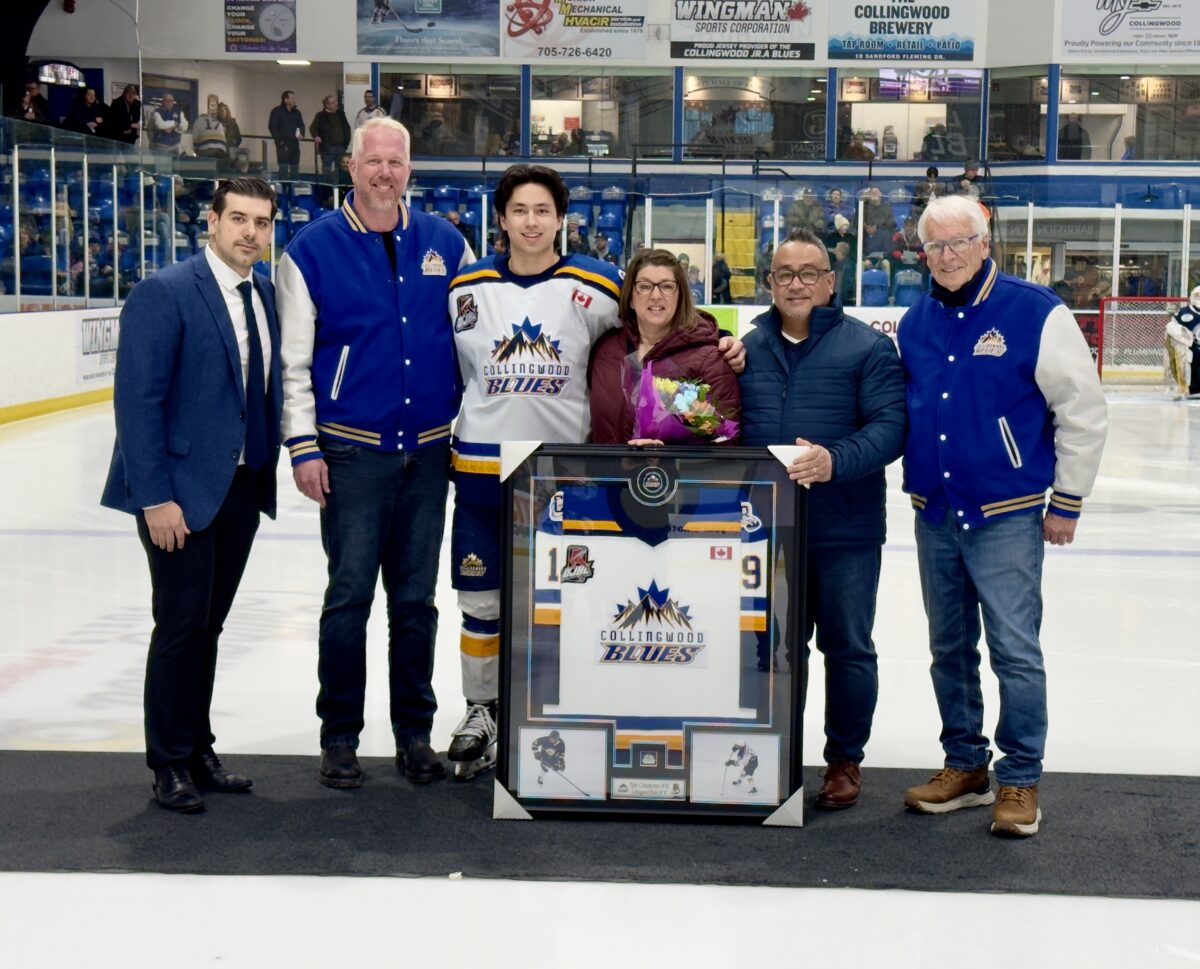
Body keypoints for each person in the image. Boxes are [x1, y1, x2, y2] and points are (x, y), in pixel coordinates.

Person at [444, 165, 746, 779]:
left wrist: (726, 342)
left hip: (564, 478)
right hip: (479, 471)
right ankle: (482, 708)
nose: (531, 222)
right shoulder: (463, 288)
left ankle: (566, 705)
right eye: (519, 210)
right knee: (481, 599)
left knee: (573, 600)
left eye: (543, 210)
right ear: (501, 219)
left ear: (561, 218)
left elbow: (661, 326)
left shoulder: (599, 283)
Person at [898, 194, 1107, 837]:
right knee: (948, 648)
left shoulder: (1035, 311)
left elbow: (1082, 410)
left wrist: (1067, 500)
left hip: (1007, 514)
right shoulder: (916, 320)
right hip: (936, 511)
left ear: (985, 243)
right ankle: (965, 765)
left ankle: (1020, 776)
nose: (947, 256)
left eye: (959, 242)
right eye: (935, 246)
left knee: (1014, 650)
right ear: (923, 253)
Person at [277, 118, 472, 790]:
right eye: (373, 161)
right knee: (350, 598)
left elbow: (476, 340)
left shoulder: (447, 242)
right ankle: (339, 736)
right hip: (352, 456)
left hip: (429, 455)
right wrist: (303, 445)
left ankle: (415, 734)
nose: (385, 173)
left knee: (416, 603)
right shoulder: (311, 250)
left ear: (409, 169)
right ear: (351, 166)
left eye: (396, 162)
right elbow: (293, 362)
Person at [100, 177, 282, 813]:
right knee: (179, 625)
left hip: (240, 487)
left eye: (262, 222)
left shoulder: (264, 293)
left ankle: (199, 748)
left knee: (210, 625)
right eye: (239, 219)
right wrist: (154, 498)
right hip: (178, 495)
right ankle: (169, 761)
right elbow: (137, 402)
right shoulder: (166, 291)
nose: (250, 233)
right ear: (211, 221)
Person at [738, 226, 906, 811]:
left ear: (830, 282)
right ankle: (775, 750)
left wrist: (835, 461)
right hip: (768, 530)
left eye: (809, 273)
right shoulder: (749, 348)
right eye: (785, 274)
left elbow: (891, 428)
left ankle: (843, 759)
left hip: (845, 530)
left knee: (848, 647)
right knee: (775, 648)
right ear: (770, 282)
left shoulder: (867, 348)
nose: (797, 284)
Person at [589, 247, 740, 446]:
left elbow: (727, 443)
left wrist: (668, 458)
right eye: (644, 286)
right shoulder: (605, 350)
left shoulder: (709, 360)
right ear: (631, 298)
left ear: (680, 296)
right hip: (607, 468)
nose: (656, 295)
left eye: (667, 286)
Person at [1166, 285, 1200, 399]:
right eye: (1198, 296)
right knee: (1183, 356)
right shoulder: (1182, 313)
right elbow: (1171, 330)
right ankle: (1182, 387)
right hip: (1190, 348)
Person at [310, 95, 351, 176]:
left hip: (341, 146)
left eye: (335, 102)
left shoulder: (341, 114)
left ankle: (339, 183)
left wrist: (346, 142)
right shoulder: (320, 115)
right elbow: (313, 127)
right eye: (333, 103)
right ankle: (327, 183)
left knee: (341, 169)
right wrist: (316, 136)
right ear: (327, 105)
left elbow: (347, 127)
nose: (336, 104)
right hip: (327, 147)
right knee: (327, 168)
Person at [269, 90, 304, 179]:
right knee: (283, 169)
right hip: (283, 144)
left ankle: (293, 186)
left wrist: (301, 134)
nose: (294, 100)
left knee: (295, 169)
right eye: (292, 98)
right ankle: (283, 186)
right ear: (286, 100)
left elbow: (301, 125)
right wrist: (280, 141)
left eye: (294, 98)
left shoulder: (297, 113)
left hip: (295, 144)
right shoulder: (277, 111)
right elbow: (272, 127)